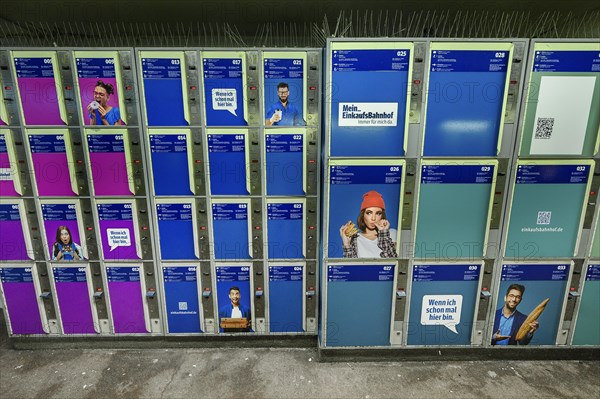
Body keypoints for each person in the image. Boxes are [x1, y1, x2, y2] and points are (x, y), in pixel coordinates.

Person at [339, 190, 398, 258]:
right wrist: (347, 244)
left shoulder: (392, 233)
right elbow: (350, 266)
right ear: (363, 215)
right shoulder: (355, 238)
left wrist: (383, 233)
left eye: (378, 213)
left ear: (382, 215)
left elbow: (392, 260)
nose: (373, 218)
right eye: (369, 213)